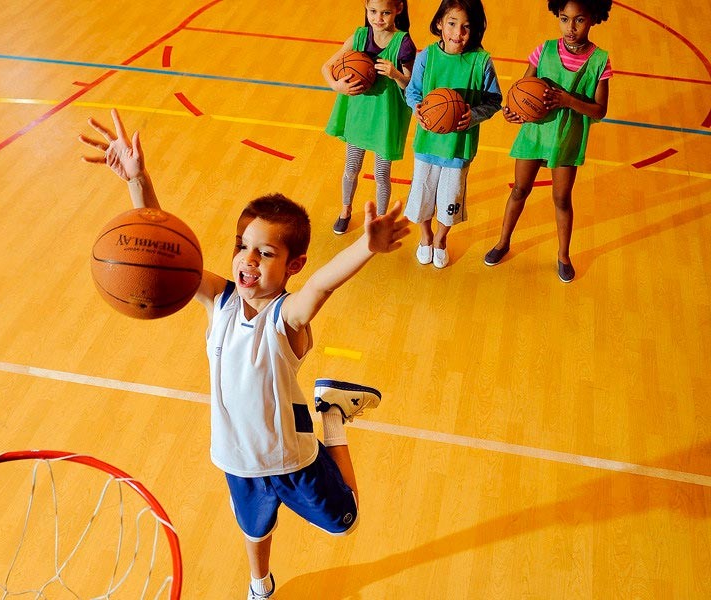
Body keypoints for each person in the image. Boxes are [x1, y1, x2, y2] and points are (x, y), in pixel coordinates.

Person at [79, 109, 410, 600]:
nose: (248, 260)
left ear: (292, 264)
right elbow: (161, 248)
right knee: (253, 530)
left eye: (266, 253)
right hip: (236, 459)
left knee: (347, 524)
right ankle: (260, 584)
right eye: (242, 246)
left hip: (293, 459)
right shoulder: (220, 300)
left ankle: (334, 414)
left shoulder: (288, 318)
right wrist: (138, 181)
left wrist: (366, 246)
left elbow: (321, 285)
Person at [484, 0, 612, 282]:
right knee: (519, 189)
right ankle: (503, 242)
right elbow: (520, 90)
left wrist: (567, 100)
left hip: (566, 137)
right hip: (535, 132)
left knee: (562, 198)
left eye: (579, 20)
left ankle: (563, 255)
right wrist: (512, 111)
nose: (570, 27)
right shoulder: (544, 49)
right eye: (564, 19)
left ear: (593, 18)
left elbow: (600, 111)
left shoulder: (600, 60)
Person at [404, 0, 501, 268]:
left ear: (476, 30)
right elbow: (412, 92)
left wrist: (474, 116)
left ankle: (440, 239)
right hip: (427, 144)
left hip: (458, 149)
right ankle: (425, 237)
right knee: (422, 197)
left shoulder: (481, 62)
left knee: (450, 201)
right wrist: (418, 109)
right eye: (452, 24)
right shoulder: (426, 57)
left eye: (466, 27)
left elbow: (494, 100)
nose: (458, 33)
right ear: (439, 24)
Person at [322, 0, 417, 234]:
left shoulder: (403, 44)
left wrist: (395, 74)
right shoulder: (359, 37)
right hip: (359, 115)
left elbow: (412, 84)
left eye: (385, 13)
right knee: (351, 167)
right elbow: (326, 66)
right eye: (373, 11)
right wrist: (336, 86)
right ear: (366, 7)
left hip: (386, 118)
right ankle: (345, 210)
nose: (378, 18)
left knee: (381, 174)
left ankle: (381, 220)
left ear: (398, 10)